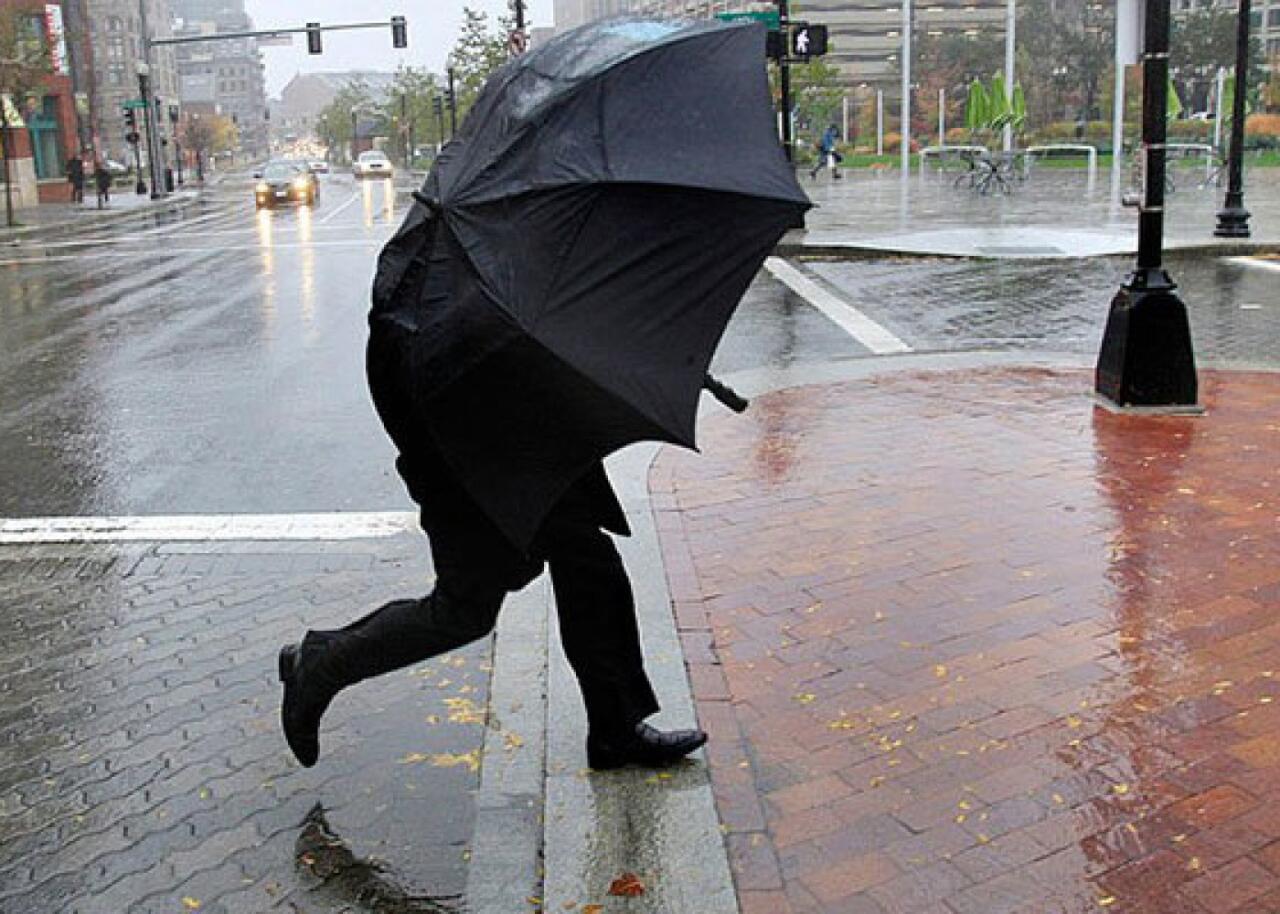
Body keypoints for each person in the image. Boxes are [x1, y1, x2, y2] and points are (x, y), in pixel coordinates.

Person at [278, 307, 708, 772]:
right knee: (464, 610)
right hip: (468, 455)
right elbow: (419, 385)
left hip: (532, 435)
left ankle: (615, 728)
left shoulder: (499, 269)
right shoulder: (421, 305)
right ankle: (321, 664)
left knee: (588, 562)